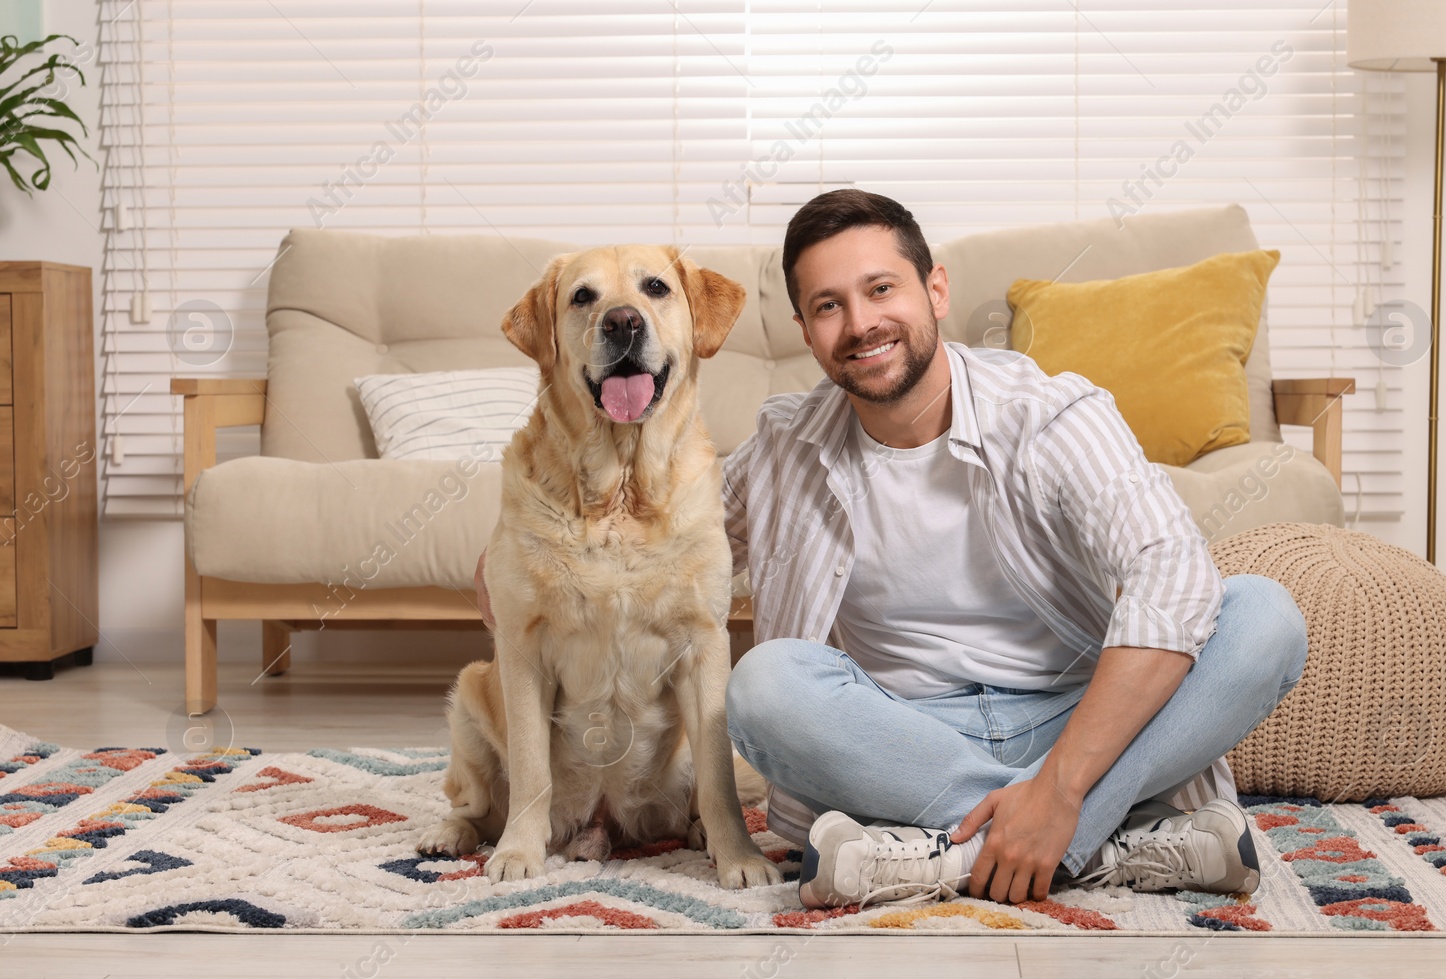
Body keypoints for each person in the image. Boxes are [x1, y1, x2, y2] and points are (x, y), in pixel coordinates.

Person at [478, 189, 1308, 910]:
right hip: (901, 736)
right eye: (830, 304)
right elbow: (661, 547)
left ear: (936, 289)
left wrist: (1058, 788)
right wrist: (528, 546)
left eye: (882, 289)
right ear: (804, 329)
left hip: (1078, 713)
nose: (861, 322)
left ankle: (967, 850)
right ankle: (1107, 843)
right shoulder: (782, 446)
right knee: (765, 685)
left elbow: (1170, 575)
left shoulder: (1053, 413)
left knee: (1264, 616)